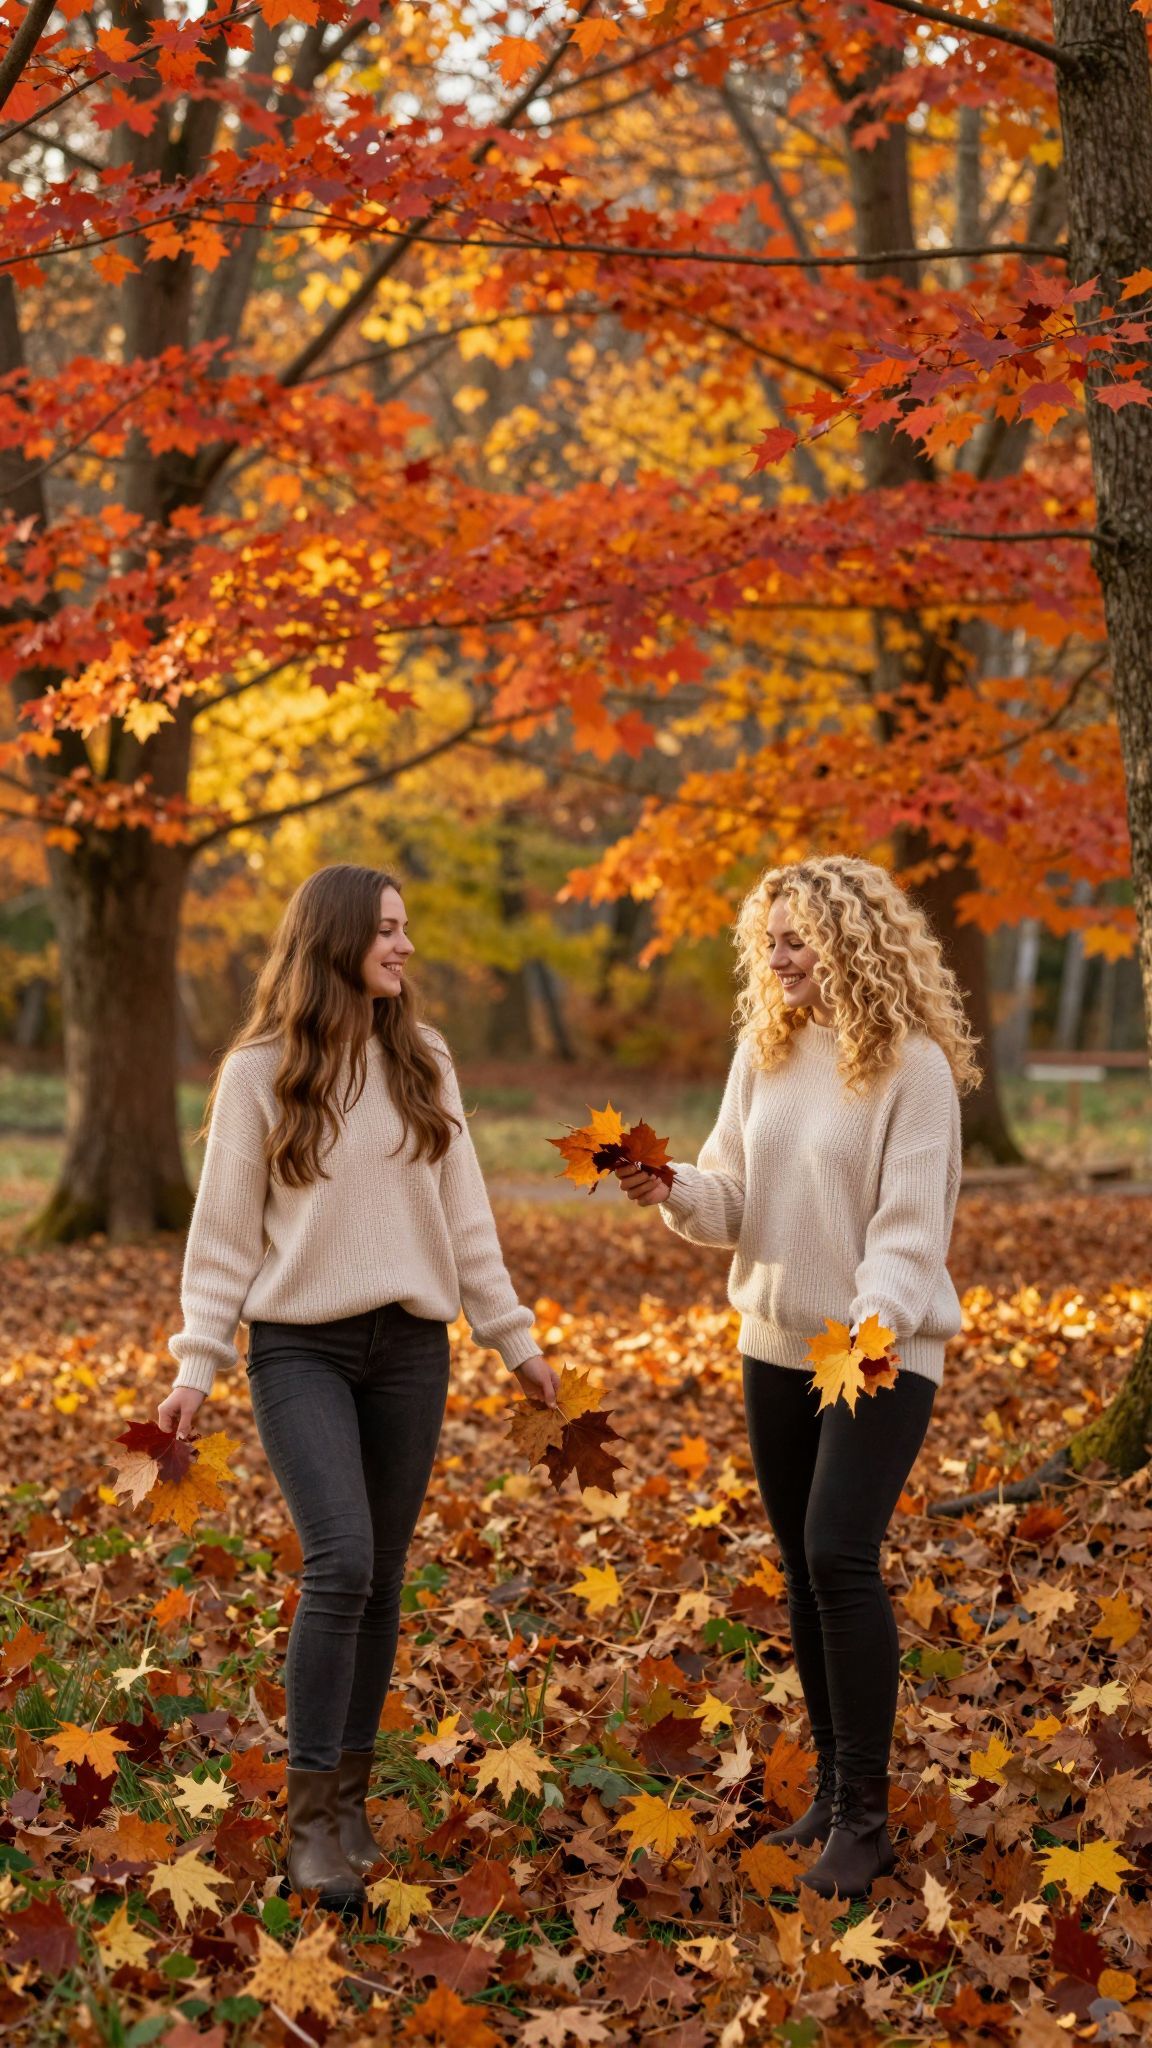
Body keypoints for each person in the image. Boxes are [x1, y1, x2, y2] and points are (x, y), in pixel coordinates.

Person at [159, 864, 560, 1914]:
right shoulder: (259, 1072)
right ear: (336, 936)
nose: (406, 945)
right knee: (339, 1558)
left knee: (381, 1576)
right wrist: (195, 1363)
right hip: (300, 1349)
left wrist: (513, 1337)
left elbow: (466, 1215)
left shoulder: (424, 1059)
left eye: (410, 927)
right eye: (388, 928)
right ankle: (308, 1822)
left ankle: (349, 1800)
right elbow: (222, 1233)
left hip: (412, 1350)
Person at [616, 855, 978, 1901]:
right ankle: (831, 1790)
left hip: (878, 1348)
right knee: (803, 1564)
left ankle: (866, 1819)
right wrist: (670, 1185)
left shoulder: (912, 1068)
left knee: (838, 1550)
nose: (779, 957)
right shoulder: (763, 1050)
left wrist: (866, 1336)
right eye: (769, 939)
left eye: (798, 938)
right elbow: (735, 1194)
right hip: (774, 1343)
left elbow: (909, 1236)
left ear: (854, 941)